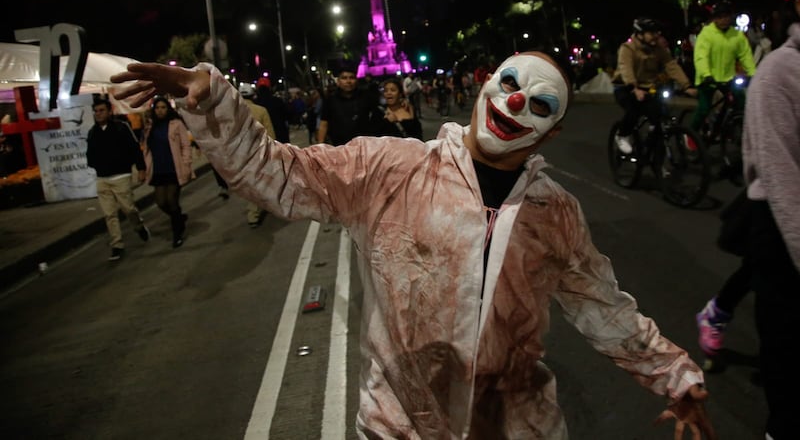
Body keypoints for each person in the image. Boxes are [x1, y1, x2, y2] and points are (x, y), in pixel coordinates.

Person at [112, 51, 715, 439]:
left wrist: (675, 376)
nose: (513, 106)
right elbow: (277, 175)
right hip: (397, 427)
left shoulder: (554, 211)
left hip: (518, 427)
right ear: (485, 87)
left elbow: (601, 306)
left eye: (538, 105)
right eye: (509, 86)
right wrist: (215, 100)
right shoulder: (388, 167)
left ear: (553, 130)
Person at [739, 0, 800, 440]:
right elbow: (782, 181)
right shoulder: (780, 71)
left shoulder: (739, 42)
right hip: (782, 226)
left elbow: (741, 53)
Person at [611, 17, 697, 154]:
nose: (656, 36)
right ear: (640, 34)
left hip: (647, 87)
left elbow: (671, 66)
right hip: (625, 86)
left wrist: (686, 86)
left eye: (656, 32)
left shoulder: (658, 49)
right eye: (651, 33)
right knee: (634, 110)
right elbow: (625, 68)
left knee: (659, 116)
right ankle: (622, 135)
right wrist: (634, 87)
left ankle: (655, 156)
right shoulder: (627, 48)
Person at [85, 97, 151, 261]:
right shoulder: (93, 132)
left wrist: (141, 168)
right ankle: (117, 245)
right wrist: (95, 164)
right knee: (109, 214)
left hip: (121, 175)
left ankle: (139, 226)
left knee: (128, 209)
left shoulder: (122, 128)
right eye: (96, 111)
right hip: (102, 178)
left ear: (109, 111)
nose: (98, 114)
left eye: (101, 110)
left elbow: (135, 148)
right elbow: (90, 154)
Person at [691, 0, 757, 134]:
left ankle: (736, 131)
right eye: (720, 17)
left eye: (726, 16)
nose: (724, 20)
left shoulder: (737, 35)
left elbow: (745, 55)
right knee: (704, 108)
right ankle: (691, 133)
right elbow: (701, 56)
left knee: (741, 102)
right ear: (714, 18)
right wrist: (706, 74)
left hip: (728, 77)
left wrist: (753, 73)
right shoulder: (706, 34)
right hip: (708, 79)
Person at [141, 96, 194, 248]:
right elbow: (146, 147)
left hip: (174, 168)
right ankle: (178, 217)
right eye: (157, 108)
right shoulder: (151, 126)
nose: (160, 110)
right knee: (160, 202)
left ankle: (177, 233)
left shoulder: (176, 124)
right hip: (158, 169)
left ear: (168, 109)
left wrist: (187, 164)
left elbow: (185, 145)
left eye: (163, 107)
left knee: (172, 201)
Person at [239, 82, 276, 227]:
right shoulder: (260, 110)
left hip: (240, 152)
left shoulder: (232, 112)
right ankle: (259, 208)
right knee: (261, 179)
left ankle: (253, 213)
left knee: (249, 182)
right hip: (258, 150)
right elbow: (269, 133)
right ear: (253, 95)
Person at [316, 64, 379, 145]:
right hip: (339, 147)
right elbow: (324, 124)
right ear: (338, 81)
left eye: (351, 78)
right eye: (344, 78)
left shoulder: (366, 96)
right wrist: (319, 146)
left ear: (356, 80)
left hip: (364, 146)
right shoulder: (330, 100)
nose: (348, 81)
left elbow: (379, 113)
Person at [254, 77, 290, 143]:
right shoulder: (277, 101)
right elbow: (287, 116)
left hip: (263, 139)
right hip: (280, 135)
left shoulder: (255, 103)